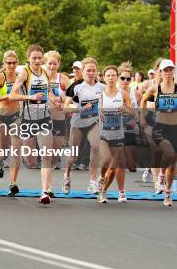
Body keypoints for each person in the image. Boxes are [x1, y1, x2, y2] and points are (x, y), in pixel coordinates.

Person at [10, 45, 59, 204]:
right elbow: (12, 95)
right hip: (28, 119)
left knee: (46, 156)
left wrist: (54, 100)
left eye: (39, 58)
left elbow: (49, 92)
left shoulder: (45, 72)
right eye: (34, 58)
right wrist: (30, 97)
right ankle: (28, 160)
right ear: (28, 59)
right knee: (31, 162)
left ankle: (45, 191)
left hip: (44, 118)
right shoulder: (25, 73)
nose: (37, 61)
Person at [63, 57, 105, 195]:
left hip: (94, 122)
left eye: (93, 71)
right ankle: (67, 177)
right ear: (83, 71)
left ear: (96, 72)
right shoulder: (77, 87)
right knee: (73, 157)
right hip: (78, 123)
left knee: (96, 147)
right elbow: (66, 108)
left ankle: (92, 182)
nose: (91, 73)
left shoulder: (102, 87)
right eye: (88, 71)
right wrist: (81, 108)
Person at [141, 59, 177, 206]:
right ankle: (161, 175)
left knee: (172, 162)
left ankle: (167, 193)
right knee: (168, 154)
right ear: (161, 73)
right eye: (165, 70)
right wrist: (143, 119)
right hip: (160, 128)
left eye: (170, 70)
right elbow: (143, 100)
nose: (168, 73)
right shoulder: (156, 88)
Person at [97, 65, 134, 203]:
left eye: (113, 75)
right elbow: (94, 111)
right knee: (106, 159)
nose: (111, 78)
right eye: (108, 75)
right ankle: (101, 178)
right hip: (103, 133)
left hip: (118, 134)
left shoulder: (123, 94)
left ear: (117, 77)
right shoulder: (100, 94)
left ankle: (103, 192)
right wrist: (99, 113)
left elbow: (132, 112)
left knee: (112, 168)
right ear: (104, 78)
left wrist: (125, 110)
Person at [0, 51, 21, 195]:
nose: (11, 65)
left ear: (17, 63)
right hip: (2, 117)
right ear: (4, 63)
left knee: (16, 150)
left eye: (14, 62)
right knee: (3, 150)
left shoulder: (21, 77)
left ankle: (12, 183)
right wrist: (6, 97)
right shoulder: (0, 77)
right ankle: (0, 162)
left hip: (16, 116)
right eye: (9, 63)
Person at [45, 51, 70, 169]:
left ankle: (56, 159)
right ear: (45, 63)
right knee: (45, 139)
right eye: (49, 63)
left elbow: (73, 97)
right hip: (43, 114)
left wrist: (60, 98)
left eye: (54, 64)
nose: (52, 66)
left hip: (58, 114)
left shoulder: (63, 78)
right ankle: (44, 160)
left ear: (59, 64)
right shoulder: (40, 77)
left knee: (57, 141)